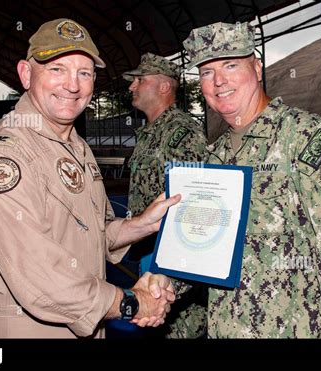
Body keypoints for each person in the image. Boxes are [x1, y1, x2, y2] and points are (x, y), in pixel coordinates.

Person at [0, 18, 178, 338]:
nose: (73, 85)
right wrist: (132, 303)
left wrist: (143, 224)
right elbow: (40, 278)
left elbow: (91, 234)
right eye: (57, 69)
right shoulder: (0, 157)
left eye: (84, 73)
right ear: (26, 75)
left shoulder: (75, 148)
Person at [156, 21, 321, 338]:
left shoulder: (301, 136)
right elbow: (205, 250)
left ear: (258, 69)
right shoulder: (215, 156)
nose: (219, 81)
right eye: (206, 72)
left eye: (231, 65)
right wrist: (162, 280)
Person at [122, 52, 208, 338]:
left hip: (174, 253)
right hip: (148, 247)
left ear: (163, 86)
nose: (132, 87)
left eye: (139, 80)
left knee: (178, 329)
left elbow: (195, 200)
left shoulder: (182, 131)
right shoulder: (150, 133)